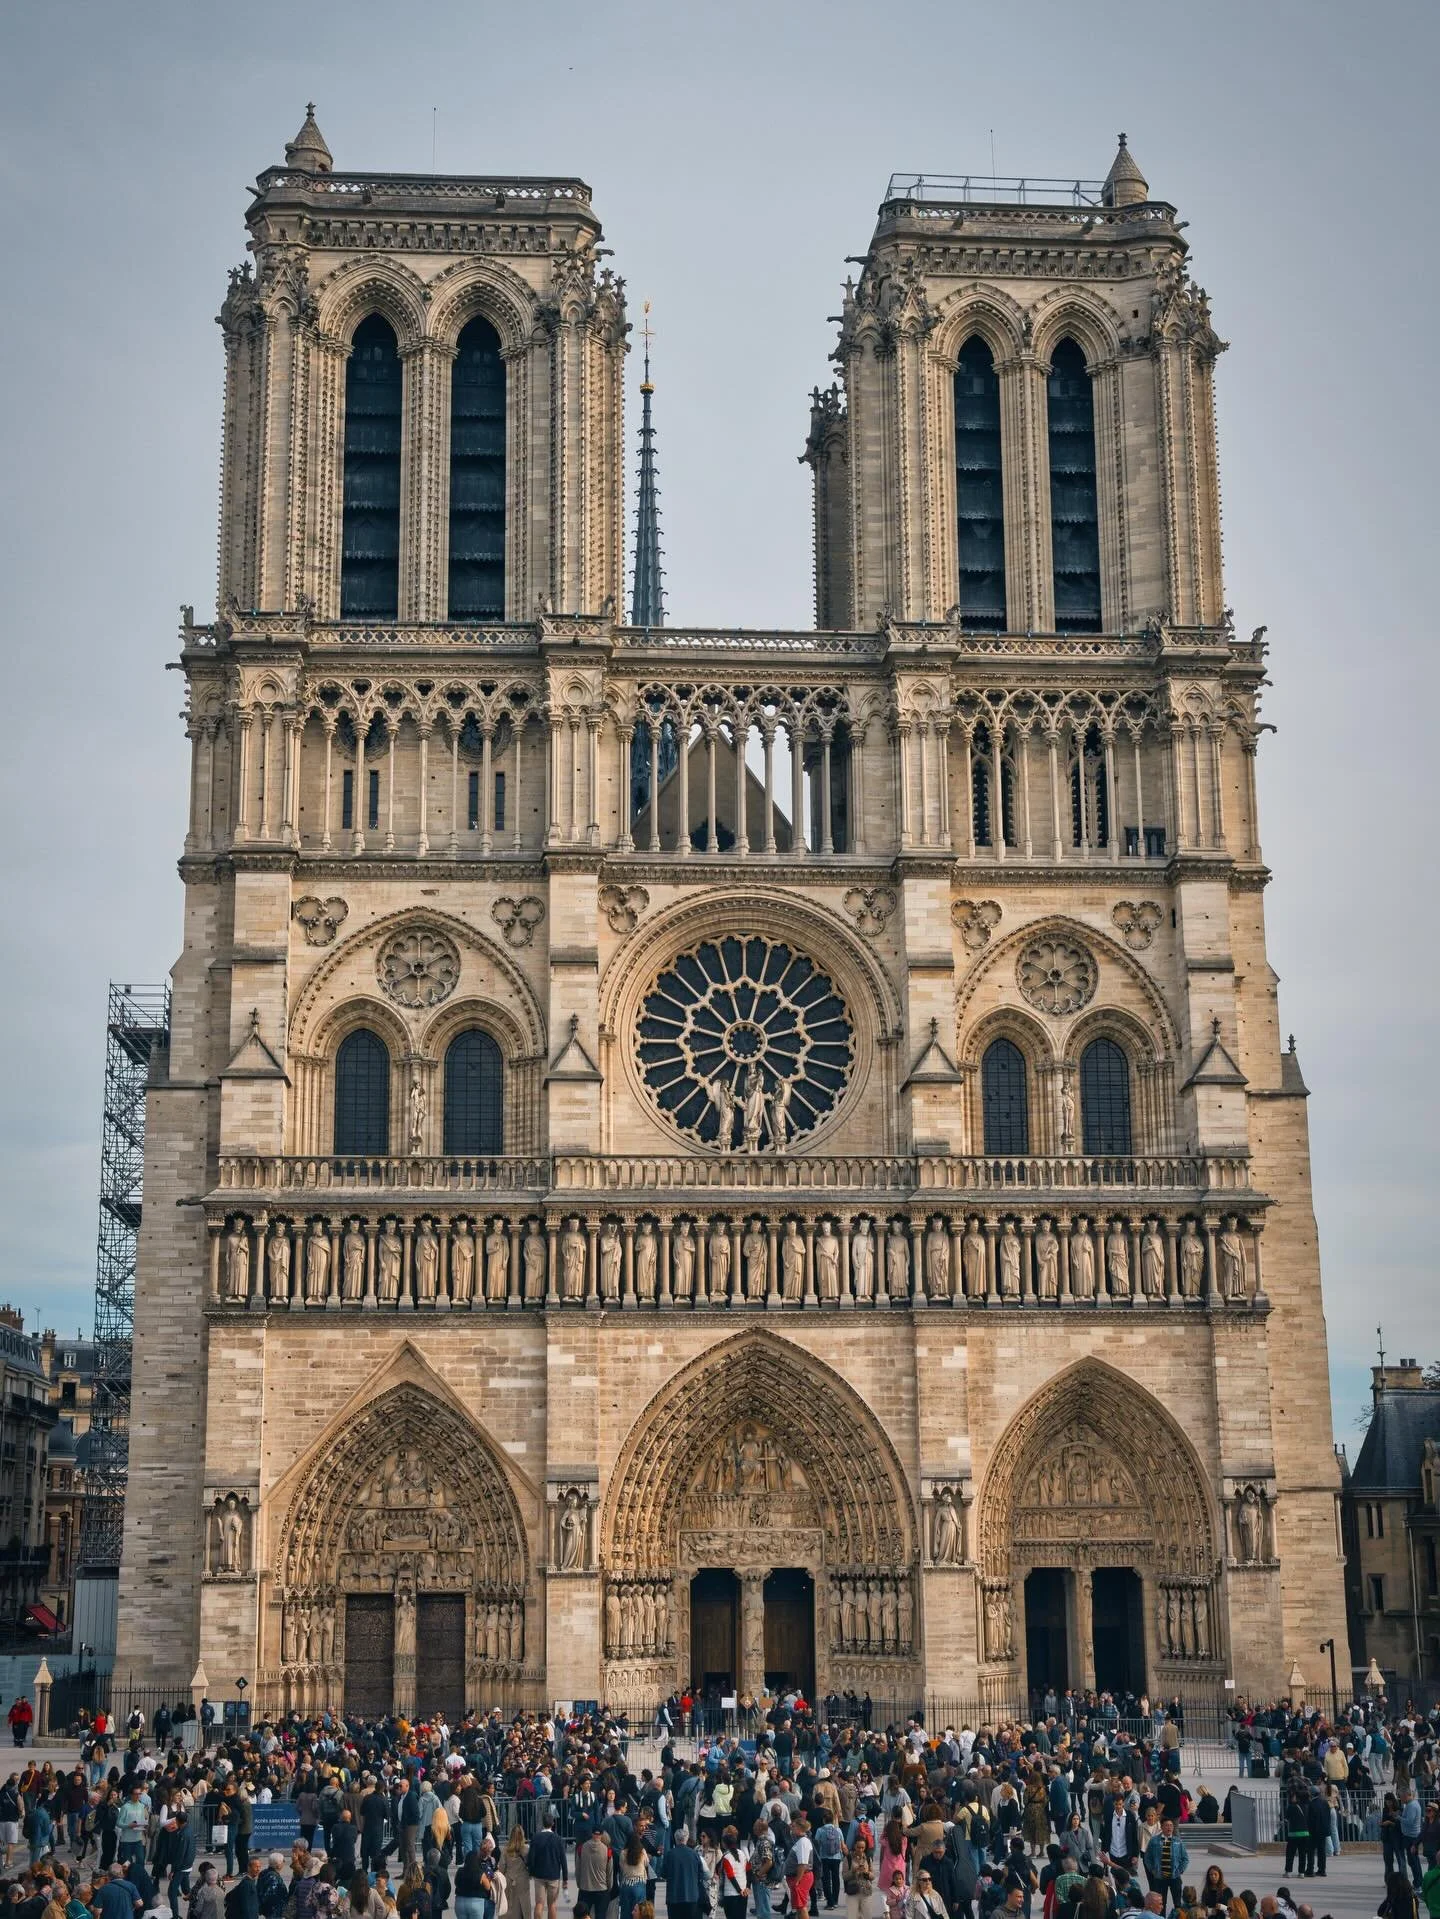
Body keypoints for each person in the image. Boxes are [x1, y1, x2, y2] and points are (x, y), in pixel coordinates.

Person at [526, 1813, 567, 1919]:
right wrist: (565, 1879)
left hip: (539, 1875)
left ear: (542, 1823)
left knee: (539, 1903)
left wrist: (530, 1871)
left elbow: (531, 1857)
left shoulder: (536, 1837)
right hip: (553, 1875)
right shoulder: (558, 1839)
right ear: (553, 1823)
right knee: (552, 1905)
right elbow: (563, 1860)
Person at [1141, 1821, 1187, 1914]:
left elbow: (1185, 1858)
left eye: (1171, 1825)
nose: (1169, 1827)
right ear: (1161, 1827)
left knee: (1178, 1904)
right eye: (1166, 1825)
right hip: (1160, 1878)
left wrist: (1179, 1871)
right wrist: (1153, 1870)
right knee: (1161, 1904)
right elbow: (1147, 1858)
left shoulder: (1178, 1841)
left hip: (1175, 1877)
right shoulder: (1154, 1841)